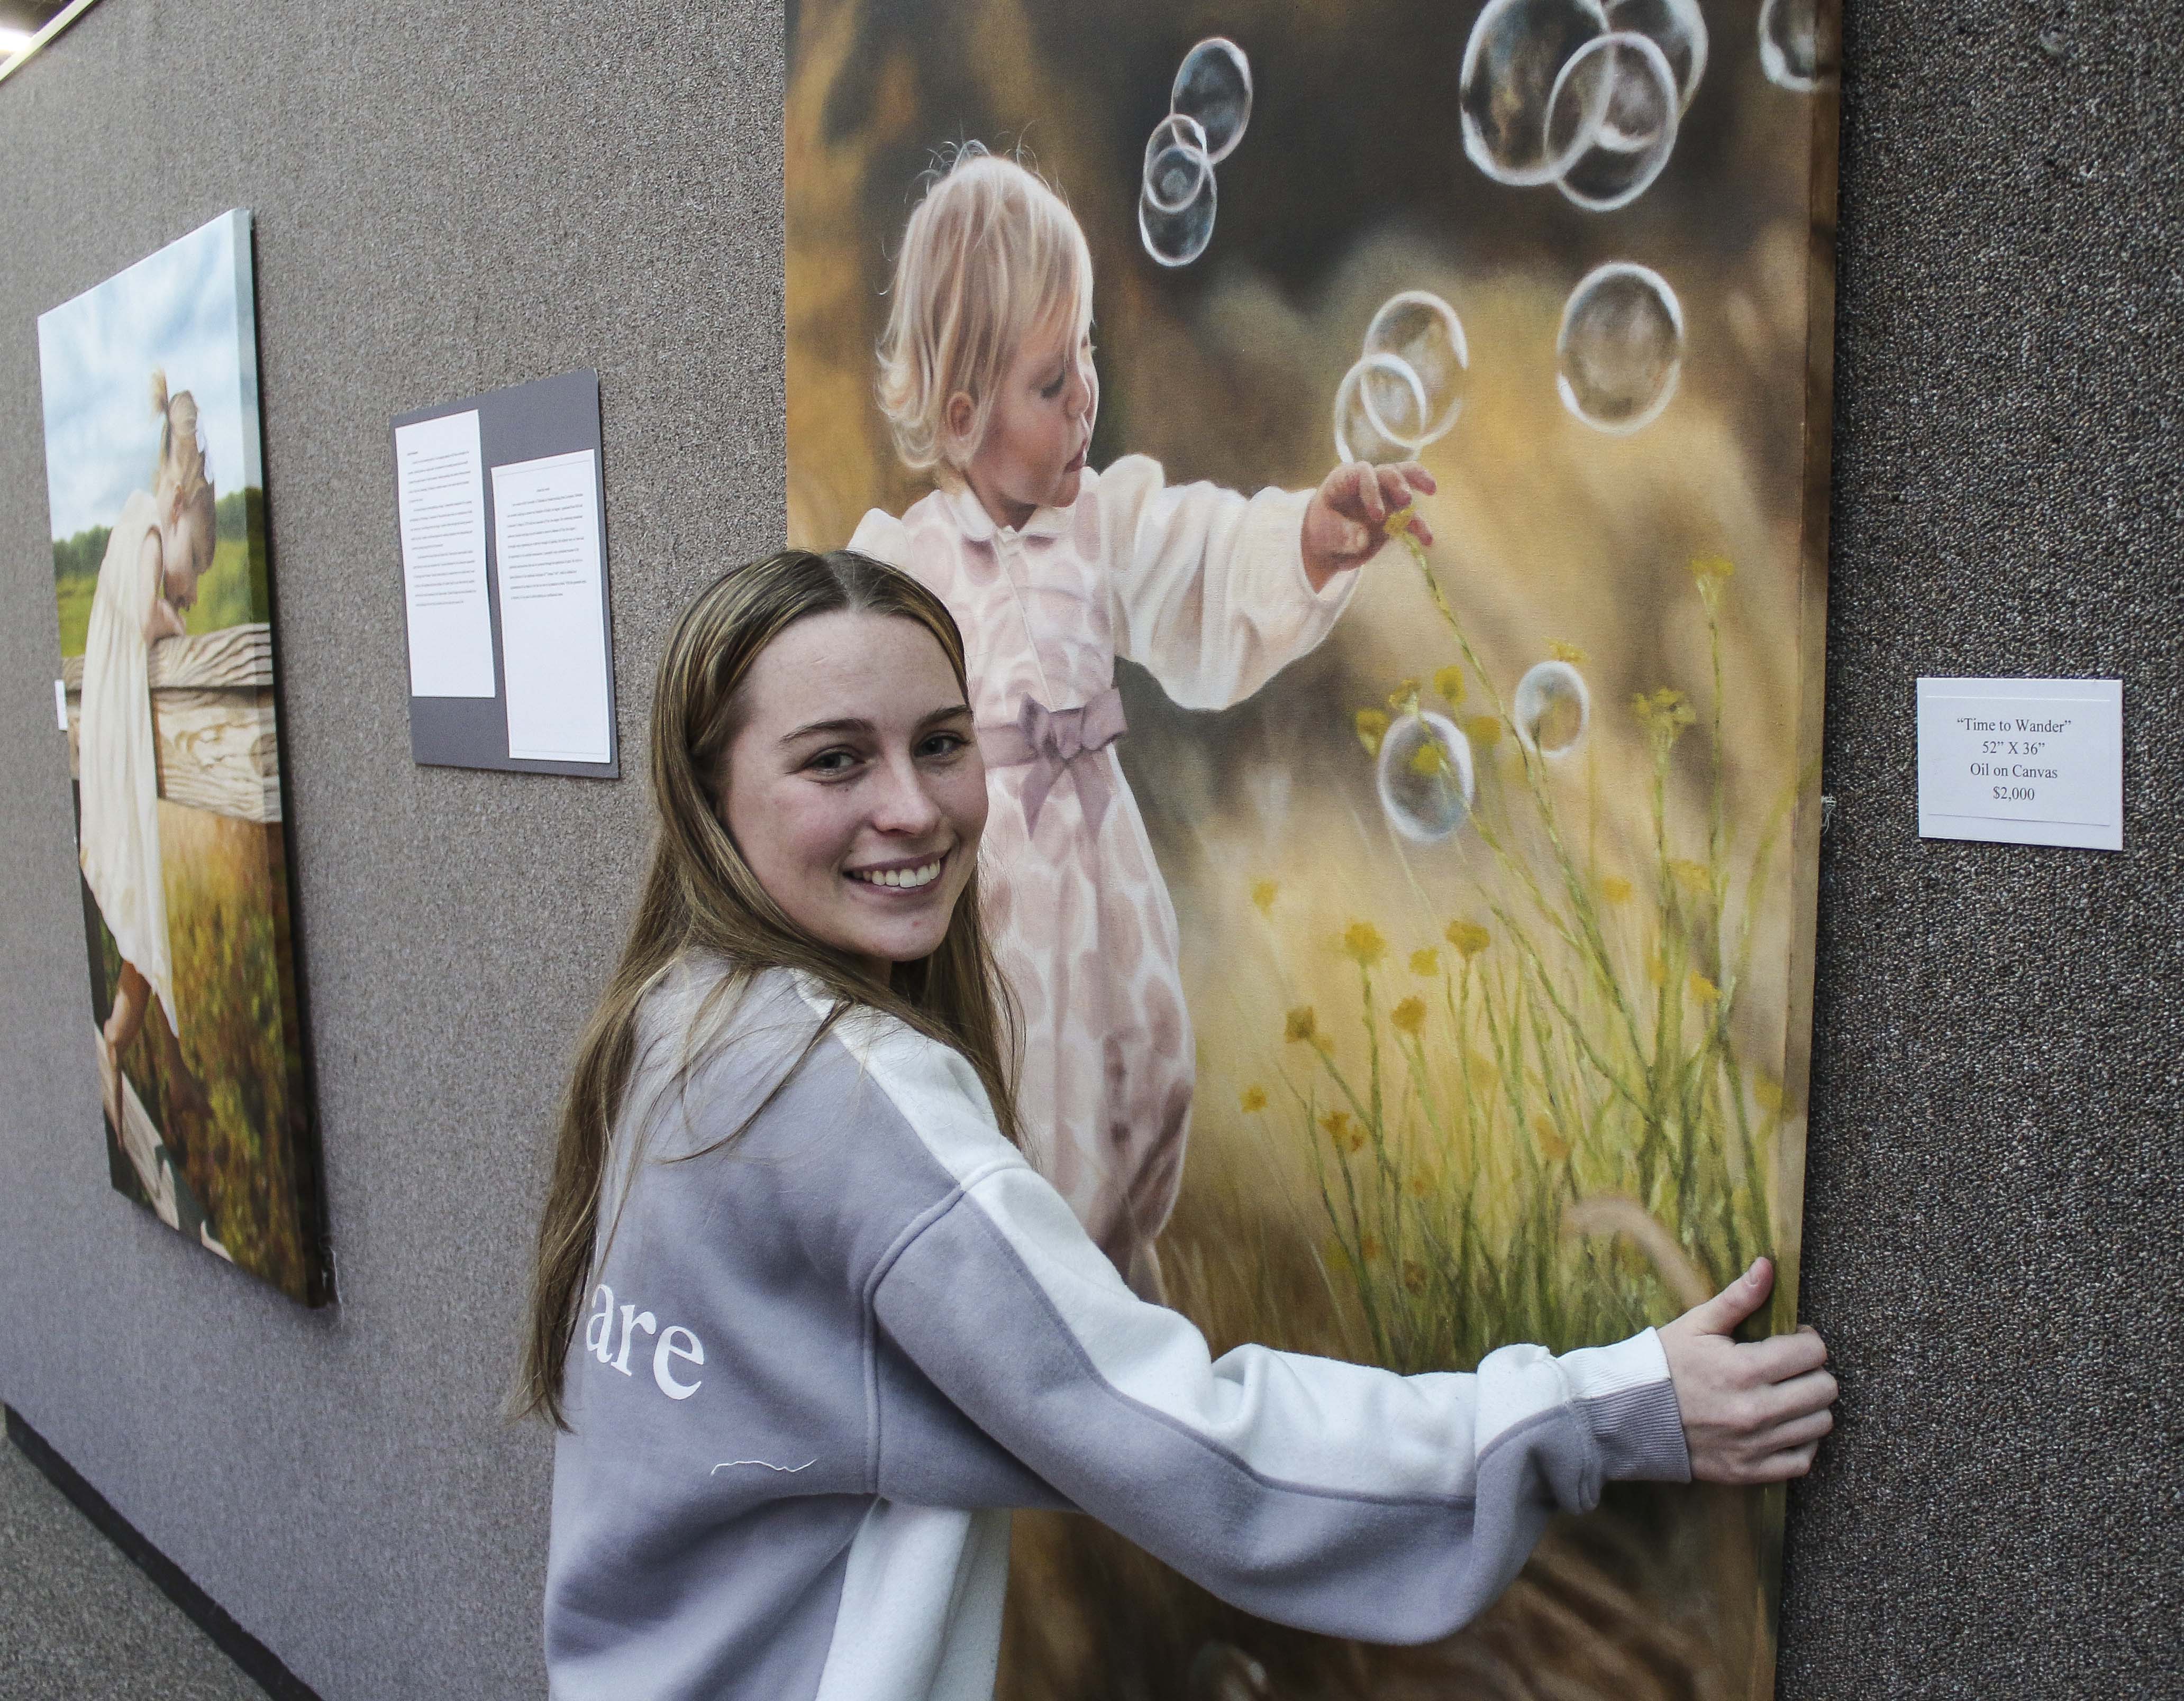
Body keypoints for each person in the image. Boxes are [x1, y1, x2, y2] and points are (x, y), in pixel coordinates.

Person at [521, 548, 1837, 1701]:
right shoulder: (838, 1089)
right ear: (706, 793)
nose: (915, 809)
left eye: (940, 741)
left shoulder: (678, 1023)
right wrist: (1605, 1410)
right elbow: (1191, 1444)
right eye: (833, 760)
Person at [849, 146, 1433, 1299]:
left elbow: (1202, 558)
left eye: (1089, 360)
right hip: (987, 912)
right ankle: (1026, 1311)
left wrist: (1307, 540)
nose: (1089, 400)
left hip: (1095, 885)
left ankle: (1121, 1284)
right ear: (963, 416)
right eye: (1053, 382)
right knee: (1013, 1108)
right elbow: (844, 726)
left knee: (1129, 1078)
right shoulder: (901, 567)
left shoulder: (1101, 528)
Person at [79, 370, 215, 1138]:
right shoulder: (150, 525)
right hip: (116, 737)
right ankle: (122, 1047)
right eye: (195, 568)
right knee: (141, 917)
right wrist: (176, 623)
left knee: (145, 924)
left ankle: (153, 1064)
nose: (193, 587)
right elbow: (145, 606)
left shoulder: (145, 520)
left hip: (114, 726)